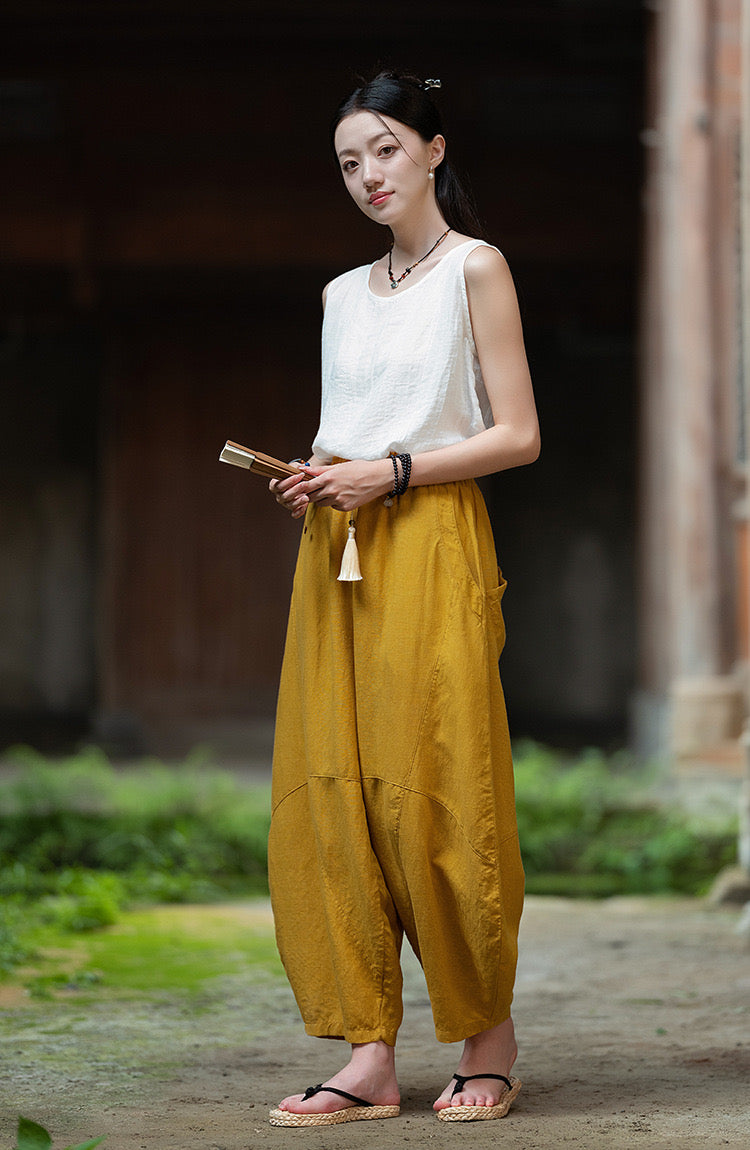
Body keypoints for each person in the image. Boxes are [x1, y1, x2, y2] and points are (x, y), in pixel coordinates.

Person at [266, 69, 540, 1127]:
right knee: (330, 784)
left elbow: (517, 434)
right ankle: (367, 1051)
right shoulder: (340, 295)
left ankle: (487, 1035)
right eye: (349, 162)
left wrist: (389, 471)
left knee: (440, 776)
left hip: (430, 536)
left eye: (384, 149)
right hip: (337, 546)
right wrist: (319, 474)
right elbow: (352, 426)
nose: (368, 174)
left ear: (433, 149)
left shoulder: (477, 267)